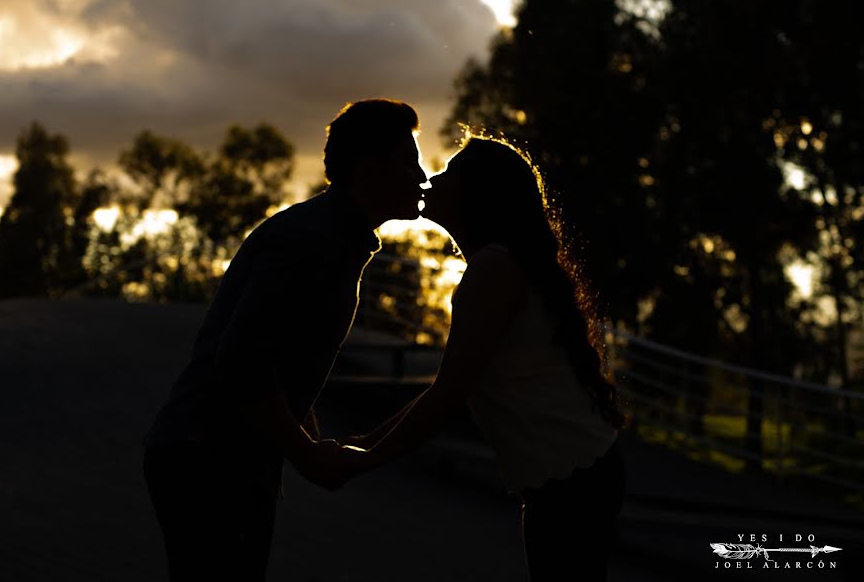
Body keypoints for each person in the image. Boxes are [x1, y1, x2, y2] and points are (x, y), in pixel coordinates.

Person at [141, 98, 427, 580]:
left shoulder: (331, 235)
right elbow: (241, 360)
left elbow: (278, 360)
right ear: (368, 169)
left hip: (218, 455)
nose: (422, 177)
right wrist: (306, 453)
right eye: (408, 162)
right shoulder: (312, 241)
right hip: (207, 459)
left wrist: (306, 440)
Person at [343, 135, 629, 581]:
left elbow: (447, 395)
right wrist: (361, 446)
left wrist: (362, 458)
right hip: (576, 476)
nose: (433, 177)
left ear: (474, 192)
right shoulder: (499, 265)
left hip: (571, 484)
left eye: (450, 171)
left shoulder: (493, 269)